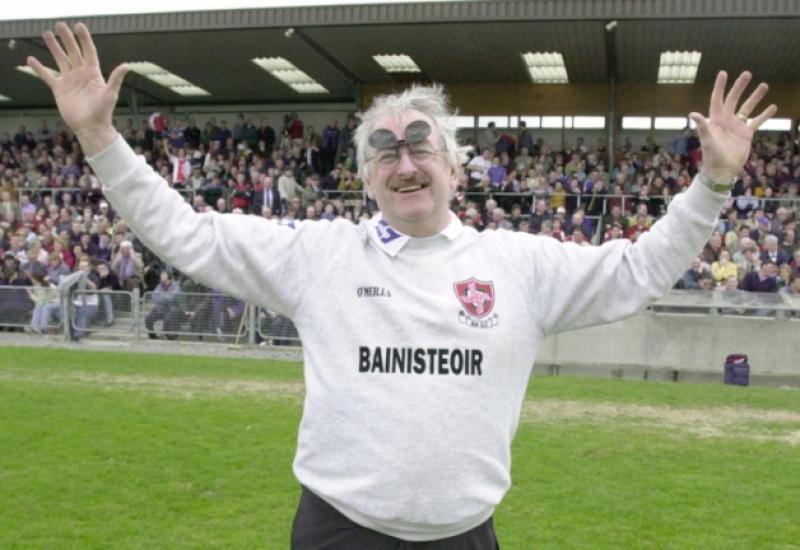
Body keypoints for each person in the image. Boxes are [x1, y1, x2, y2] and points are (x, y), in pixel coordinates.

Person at [29, 22, 777, 548]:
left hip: (463, 537)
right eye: (384, 151)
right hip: (337, 533)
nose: (405, 160)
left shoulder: (519, 264)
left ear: (455, 167)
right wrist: (100, 137)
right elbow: (185, 233)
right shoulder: (318, 256)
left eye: (422, 143)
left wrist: (713, 184)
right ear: (365, 179)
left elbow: (641, 269)